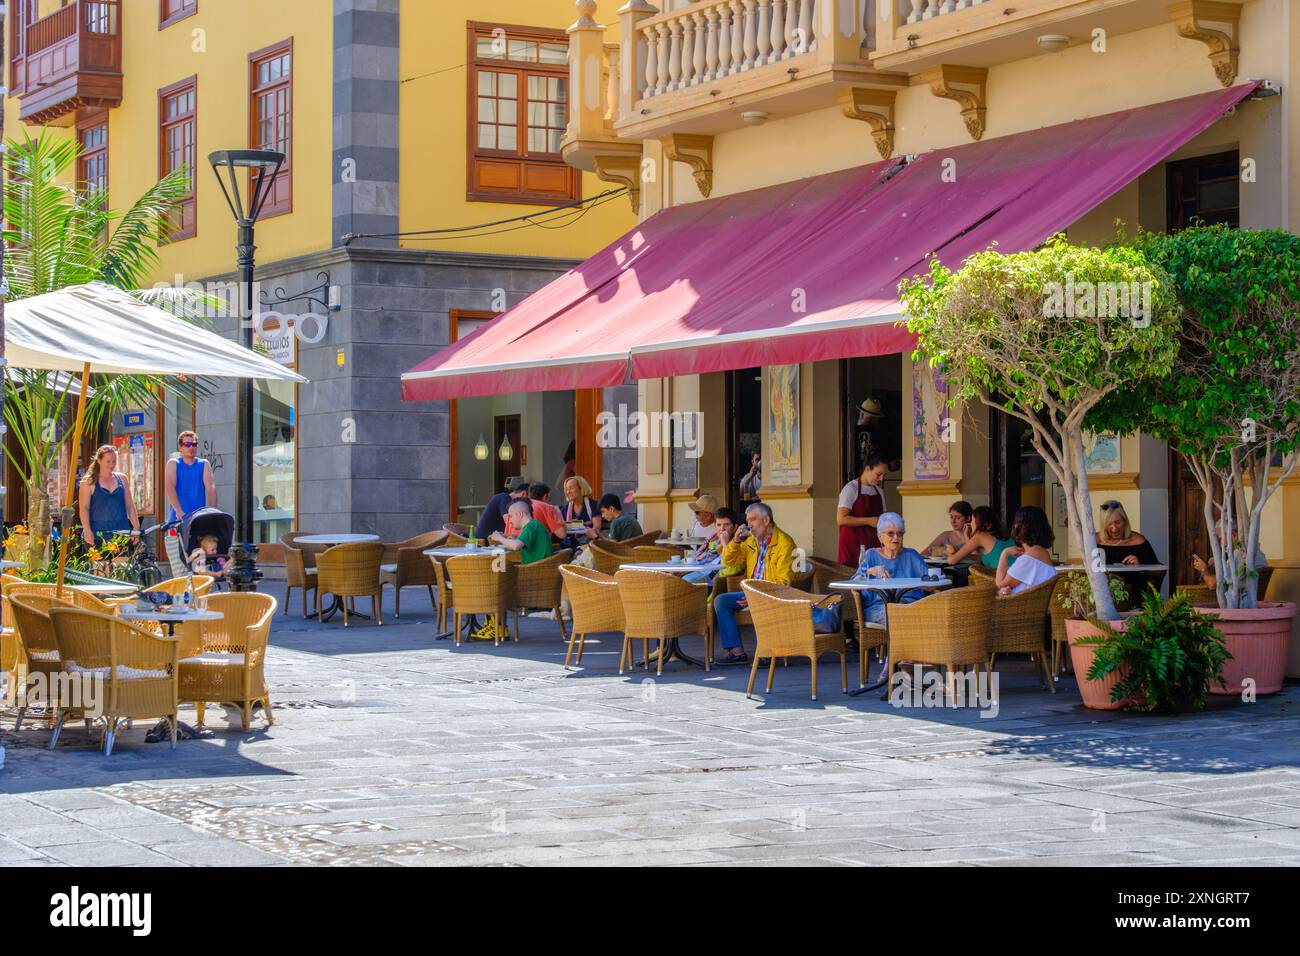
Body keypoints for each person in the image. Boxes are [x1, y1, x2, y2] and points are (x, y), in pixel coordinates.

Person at [713, 502, 797, 665]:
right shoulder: (751, 540)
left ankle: (768, 652)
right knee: (721, 601)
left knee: (757, 604)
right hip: (752, 592)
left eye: (752, 520)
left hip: (773, 595)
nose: (748, 524)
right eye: (747, 520)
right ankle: (737, 652)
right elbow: (729, 561)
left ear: (766, 521)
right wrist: (735, 542)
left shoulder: (785, 544)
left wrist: (755, 596)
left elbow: (783, 582)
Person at [851, 512, 930, 625]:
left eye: (900, 533)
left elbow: (931, 582)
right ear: (880, 537)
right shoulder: (871, 555)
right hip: (878, 606)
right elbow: (854, 585)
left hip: (910, 605)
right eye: (891, 533)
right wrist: (870, 571)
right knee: (893, 615)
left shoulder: (912, 555)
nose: (896, 538)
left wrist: (927, 585)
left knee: (919, 614)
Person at [1095, 499, 1162, 601]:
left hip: (1135, 597)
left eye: (1117, 522)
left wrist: (1140, 566)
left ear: (1125, 521)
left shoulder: (1138, 541)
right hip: (1103, 598)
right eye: (1109, 524)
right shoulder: (1094, 541)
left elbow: (1158, 573)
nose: (1114, 528)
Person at [78, 445, 141, 545]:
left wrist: (136, 529)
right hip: (98, 536)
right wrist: (87, 530)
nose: (111, 465)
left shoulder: (122, 479)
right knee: (100, 561)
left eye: (114, 461)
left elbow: (130, 506)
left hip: (122, 535)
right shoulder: (88, 481)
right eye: (108, 461)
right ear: (99, 461)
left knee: (123, 561)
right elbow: (84, 508)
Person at [996, 505, 1059, 595]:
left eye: (1016, 522)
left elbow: (1000, 583)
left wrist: (1004, 553)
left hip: (1021, 607)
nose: (1014, 526)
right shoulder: (1041, 552)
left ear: (1024, 527)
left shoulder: (1029, 559)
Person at [837, 455, 888, 565]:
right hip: (852, 545)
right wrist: (869, 521)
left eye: (884, 475)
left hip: (874, 546)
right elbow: (841, 519)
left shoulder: (879, 491)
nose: (881, 478)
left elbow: (883, 517)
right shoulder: (850, 489)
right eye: (878, 474)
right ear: (867, 469)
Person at [164, 430, 216, 522]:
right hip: (178, 519)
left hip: (198, 519)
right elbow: (169, 488)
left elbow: (211, 489)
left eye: (194, 444)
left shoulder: (204, 464)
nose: (191, 447)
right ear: (180, 447)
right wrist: (178, 510)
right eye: (187, 444)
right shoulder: (173, 463)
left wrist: (212, 512)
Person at [683, 507, 743, 585]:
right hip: (700, 571)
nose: (722, 529)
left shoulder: (739, 545)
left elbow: (728, 571)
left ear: (735, 527)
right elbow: (701, 560)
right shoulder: (715, 543)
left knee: (685, 581)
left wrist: (725, 544)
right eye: (719, 525)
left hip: (714, 581)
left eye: (727, 525)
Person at [946, 505, 1014, 569]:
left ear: (978, 522)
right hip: (1017, 577)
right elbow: (977, 559)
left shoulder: (980, 536)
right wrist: (966, 537)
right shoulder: (1004, 534)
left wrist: (951, 553)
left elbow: (951, 561)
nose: (970, 523)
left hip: (999, 578)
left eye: (972, 520)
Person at [490, 499, 552, 565]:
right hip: (539, 568)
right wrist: (514, 540)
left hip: (534, 571)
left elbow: (516, 546)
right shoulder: (534, 525)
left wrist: (499, 538)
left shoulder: (531, 526)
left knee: (499, 567)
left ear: (519, 514)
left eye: (511, 516)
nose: (509, 521)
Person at [856, 398, 902, 473]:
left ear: (861, 414)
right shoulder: (884, 437)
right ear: (877, 418)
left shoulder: (852, 432)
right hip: (872, 480)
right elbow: (894, 466)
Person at [559, 475, 602, 549]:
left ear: (581, 488)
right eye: (566, 489)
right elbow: (562, 531)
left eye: (571, 488)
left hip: (590, 546)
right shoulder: (565, 509)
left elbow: (597, 528)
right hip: (569, 548)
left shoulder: (593, 505)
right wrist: (583, 527)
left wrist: (573, 525)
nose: (568, 492)